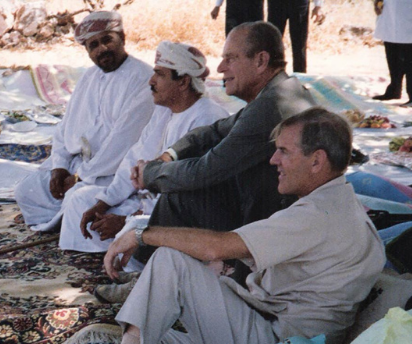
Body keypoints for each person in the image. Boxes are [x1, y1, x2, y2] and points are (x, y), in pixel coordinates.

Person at [32, 107, 386, 344]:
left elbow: (219, 246)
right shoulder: (339, 205)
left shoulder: (319, 215)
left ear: (317, 160)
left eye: (283, 151)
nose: (273, 160)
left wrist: (141, 234)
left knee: (169, 263)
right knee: (153, 315)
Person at [131, 21, 318, 285]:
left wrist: (151, 173)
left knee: (179, 195)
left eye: (230, 59)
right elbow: (214, 131)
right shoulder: (281, 91)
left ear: (261, 61)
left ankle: (151, 281)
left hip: (270, 226)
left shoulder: (271, 106)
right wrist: (169, 156)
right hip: (263, 209)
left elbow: (205, 171)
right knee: (179, 192)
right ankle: (152, 278)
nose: (220, 68)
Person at [58, 41, 229, 255]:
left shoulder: (206, 118)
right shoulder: (165, 110)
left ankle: (127, 255)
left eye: (159, 74)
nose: (151, 81)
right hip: (146, 203)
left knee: (132, 232)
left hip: (178, 217)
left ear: (183, 82)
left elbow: (183, 194)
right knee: (80, 199)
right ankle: (116, 251)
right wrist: (104, 202)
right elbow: (135, 157)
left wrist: (126, 220)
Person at [13, 11, 154, 229]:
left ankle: (69, 222)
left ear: (122, 38)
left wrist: (80, 177)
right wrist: (59, 167)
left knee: (78, 200)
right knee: (26, 190)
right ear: (87, 51)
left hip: (113, 171)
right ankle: (64, 221)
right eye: (93, 45)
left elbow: (123, 143)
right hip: (80, 165)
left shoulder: (142, 78)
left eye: (107, 40)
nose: (102, 49)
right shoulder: (89, 76)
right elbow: (65, 127)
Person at [266, 0, 325, 73]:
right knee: (273, 43)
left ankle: (299, 76)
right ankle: (274, 76)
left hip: (299, 3)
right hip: (276, 3)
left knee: (299, 45)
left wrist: (318, 5)